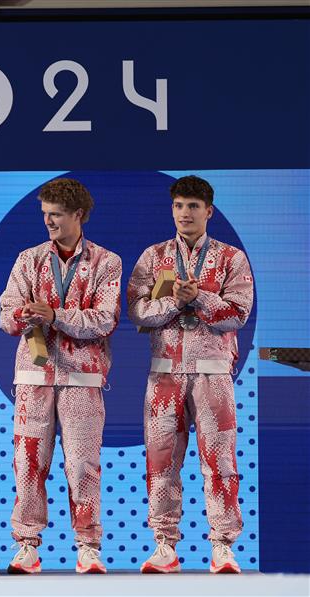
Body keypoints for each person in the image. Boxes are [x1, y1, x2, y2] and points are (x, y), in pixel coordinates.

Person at [128, 175, 253, 574]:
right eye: (179, 206)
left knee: (220, 460)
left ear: (209, 212)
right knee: (161, 461)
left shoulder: (232, 258)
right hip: (164, 374)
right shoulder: (153, 256)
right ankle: (164, 545)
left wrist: (197, 297)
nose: (185, 213)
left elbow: (238, 313)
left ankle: (223, 546)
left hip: (213, 374)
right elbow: (135, 310)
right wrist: (171, 303)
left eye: (193, 207)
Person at [0, 178, 121, 574]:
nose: (48, 221)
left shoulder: (107, 262)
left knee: (83, 463)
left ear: (78, 215)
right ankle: (27, 546)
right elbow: (5, 314)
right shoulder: (28, 259)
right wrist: (23, 315)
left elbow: (104, 320)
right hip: (33, 377)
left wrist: (56, 316)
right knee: (28, 461)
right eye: (45, 214)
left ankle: (88, 546)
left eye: (56, 215)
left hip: (83, 378)